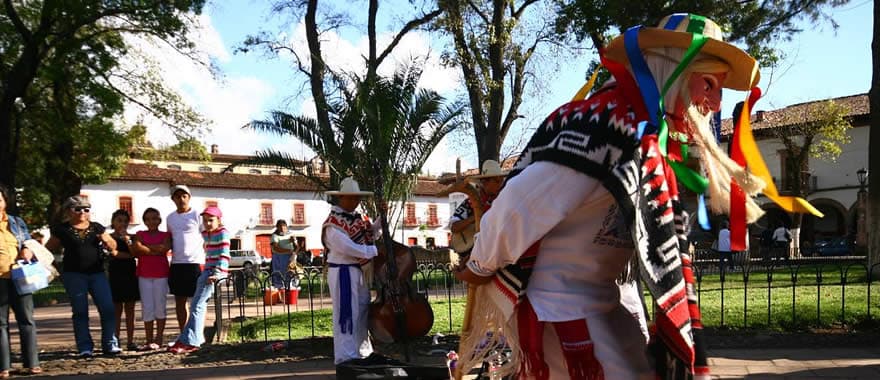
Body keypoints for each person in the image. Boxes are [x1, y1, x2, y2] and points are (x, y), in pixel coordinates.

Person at [454, 13, 766, 379]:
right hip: (562, 312)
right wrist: (482, 262)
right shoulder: (604, 125)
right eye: (709, 84)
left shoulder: (646, 139)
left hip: (602, 303)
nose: (715, 104)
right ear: (673, 71)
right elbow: (519, 205)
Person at [46, 196, 121, 357]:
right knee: (80, 311)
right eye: (77, 209)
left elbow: (112, 243)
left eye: (86, 209)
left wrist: (108, 242)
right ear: (68, 211)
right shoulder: (62, 229)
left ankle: (110, 344)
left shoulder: (96, 227)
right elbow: (48, 249)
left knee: (108, 308)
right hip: (74, 274)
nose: (82, 212)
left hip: (97, 273)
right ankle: (84, 346)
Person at [321, 177, 381, 365]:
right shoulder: (333, 223)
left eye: (357, 198)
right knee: (345, 315)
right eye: (351, 198)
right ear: (341, 198)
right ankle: (346, 357)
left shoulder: (358, 219)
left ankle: (361, 352)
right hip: (343, 272)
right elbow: (345, 247)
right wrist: (372, 251)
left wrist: (382, 219)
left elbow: (372, 233)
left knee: (361, 311)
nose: (355, 202)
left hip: (359, 271)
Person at [169, 206, 230, 353]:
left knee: (197, 306)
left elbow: (224, 254)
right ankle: (191, 338)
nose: (208, 223)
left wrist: (217, 273)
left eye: (211, 220)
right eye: (205, 220)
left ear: (219, 220)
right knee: (197, 306)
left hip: (215, 272)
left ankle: (191, 341)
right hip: (206, 271)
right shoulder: (206, 233)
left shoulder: (223, 233)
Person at [0, 184, 41, 376]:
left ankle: (32, 362)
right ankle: (3, 366)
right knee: (0, 323)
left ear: (5, 202)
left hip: (19, 276)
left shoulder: (16, 222)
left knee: (26, 319)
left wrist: (27, 249)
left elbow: (28, 241)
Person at [131, 208, 171, 351]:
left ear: (159, 220)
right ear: (144, 221)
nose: (151, 221)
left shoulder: (166, 234)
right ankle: (149, 340)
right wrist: (154, 250)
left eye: (154, 218)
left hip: (161, 274)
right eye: (148, 219)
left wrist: (146, 248)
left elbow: (164, 248)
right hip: (144, 275)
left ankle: (159, 338)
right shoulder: (139, 234)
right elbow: (137, 248)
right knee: (147, 307)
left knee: (160, 306)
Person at [166, 185, 205, 332]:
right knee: (180, 301)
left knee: (198, 302)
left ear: (189, 197)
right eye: (178, 196)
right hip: (177, 264)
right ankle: (184, 333)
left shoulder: (197, 215)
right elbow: (169, 239)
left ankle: (196, 333)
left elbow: (207, 237)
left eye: (184, 196)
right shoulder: (170, 218)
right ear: (173, 199)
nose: (181, 199)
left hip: (196, 263)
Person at [447, 160, 507, 254]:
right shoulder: (470, 202)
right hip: (472, 253)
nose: (501, 183)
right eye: (497, 180)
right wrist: (476, 217)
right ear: (485, 182)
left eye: (501, 180)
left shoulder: (503, 200)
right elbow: (454, 227)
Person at [107, 210, 140, 351]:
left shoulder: (132, 237)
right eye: (119, 220)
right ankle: (115, 339)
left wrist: (127, 243)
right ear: (113, 221)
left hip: (130, 274)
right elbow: (111, 253)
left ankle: (131, 341)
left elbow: (135, 254)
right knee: (116, 310)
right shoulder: (108, 238)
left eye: (125, 221)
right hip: (115, 274)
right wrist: (123, 254)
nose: (122, 223)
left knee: (130, 310)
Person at [270, 220, 296, 288]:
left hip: (290, 258)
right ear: (277, 227)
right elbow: (275, 248)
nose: (282, 229)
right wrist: (288, 250)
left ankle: (290, 288)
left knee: (290, 274)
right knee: (280, 275)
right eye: (280, 227)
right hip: (279, 258)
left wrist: (294, 243)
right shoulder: (274, 236)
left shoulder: (290, 234)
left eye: (284, 227)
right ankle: (280, 290)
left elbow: (297, 246)